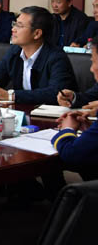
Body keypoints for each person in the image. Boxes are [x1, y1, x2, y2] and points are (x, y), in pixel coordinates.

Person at [0, 6, 77, 104]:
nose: (13, 29)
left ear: (37, 33)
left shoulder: (56, 57)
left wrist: (10, 95)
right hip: (22, 110)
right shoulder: (14, 51)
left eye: (19, 26)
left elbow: (56, 93)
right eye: (14, 24)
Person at [51, 36, 98, 176]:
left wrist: (67, 130)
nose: (91, 69)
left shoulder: (55, 56)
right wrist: (90, 130)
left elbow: (72, 154)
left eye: (94, 61)